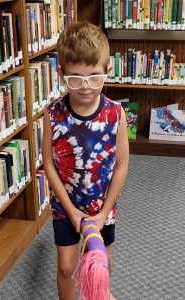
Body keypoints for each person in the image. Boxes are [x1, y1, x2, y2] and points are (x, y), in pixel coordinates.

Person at [42, 21, 129, 300]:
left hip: (102, 205)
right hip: (65, 204)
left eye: (94, 76)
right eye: (74, 78)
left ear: (108, 70)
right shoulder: (53, 115)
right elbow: (48, 164)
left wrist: (103, 214)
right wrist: (70, 211)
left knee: (104, 262)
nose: (85, 87)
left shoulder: (116, 114)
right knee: (66, 266)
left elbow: (121, 166)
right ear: (60, 74)